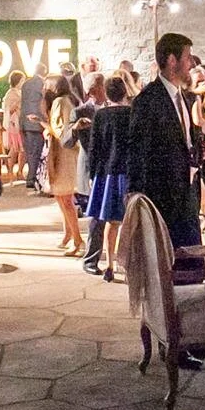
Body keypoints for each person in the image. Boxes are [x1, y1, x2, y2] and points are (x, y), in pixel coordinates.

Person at [127, 31, 204, 254]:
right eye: (188, 57)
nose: (191, 64)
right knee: (168, 260)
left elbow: (184, 139)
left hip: (187, 193)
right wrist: (136, 194)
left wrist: (198, 150)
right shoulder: (148, 101)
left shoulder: (185, 97)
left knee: (191, 256)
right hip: (163, 196)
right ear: (172, 60)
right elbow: (138, 149)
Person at [83, 76, 135, 280]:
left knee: (110, 221)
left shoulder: (101, 116)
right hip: (128, 172)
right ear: (125, 92)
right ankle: (129, 265)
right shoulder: (132, 114)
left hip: (107, 173)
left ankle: (110, 265)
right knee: (130, 223)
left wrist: (93, 173)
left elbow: (94, 147)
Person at [43, 73, 86, 255]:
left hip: (64, 156)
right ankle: (68, 234)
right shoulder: (63, 101)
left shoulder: (61, 102)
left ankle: (77, 240)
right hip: (62, 154)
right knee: (61, 197)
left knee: (65, 198)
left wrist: (46, 127)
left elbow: (63, 131)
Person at [18, 70, 48, 193]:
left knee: (30, 151)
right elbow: (43, 102)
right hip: (36, 122)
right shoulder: (43, 83)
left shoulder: (25, 84)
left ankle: (31, 177)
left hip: (24, 121)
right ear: (44, 71)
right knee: (36, 152)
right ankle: (32, 179)